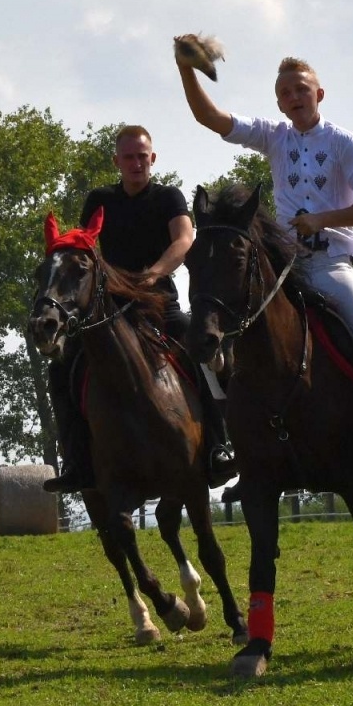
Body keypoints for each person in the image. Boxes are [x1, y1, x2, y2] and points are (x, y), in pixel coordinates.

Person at [178, 51, 353, 481]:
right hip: (280, 268)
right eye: (285, 92)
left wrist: (322, 219)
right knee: (209, 332)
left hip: (330, 263)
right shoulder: (274, 136)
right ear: (279, 103)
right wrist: (185, 68)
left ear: (320, 94)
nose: (294, 96)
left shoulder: (345, 143)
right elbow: (209, 117)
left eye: (302, 89)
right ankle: (230, 441)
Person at [42, 125, 237, 492]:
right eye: (129, 157)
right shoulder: (99, 199)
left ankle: (218, 446)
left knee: (200, 349)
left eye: (142, 157)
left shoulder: (168, 198)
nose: (136, 163)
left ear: (153, 159)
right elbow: (86, 249)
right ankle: (77, 461)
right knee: (61, 368)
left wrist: (153, 274)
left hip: (159, 304)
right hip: (109, 309)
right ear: (116, 161)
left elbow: (184, 240)